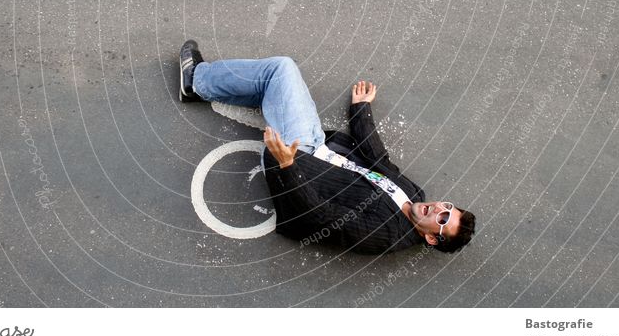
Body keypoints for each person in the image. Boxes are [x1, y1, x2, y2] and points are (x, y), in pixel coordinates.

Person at [179, 40, 476, 255]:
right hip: (320, 145)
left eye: (442, 220)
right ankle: (243, 90)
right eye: (448, 207)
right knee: (277, 86)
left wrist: (288, 165)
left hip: (298, 163)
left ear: (432, 239)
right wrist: (361, 111)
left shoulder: (385, 234)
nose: (439, 208)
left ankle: (195, 82)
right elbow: (378, 160)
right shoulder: (415, 196)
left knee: (280, 71)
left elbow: (321, 215)